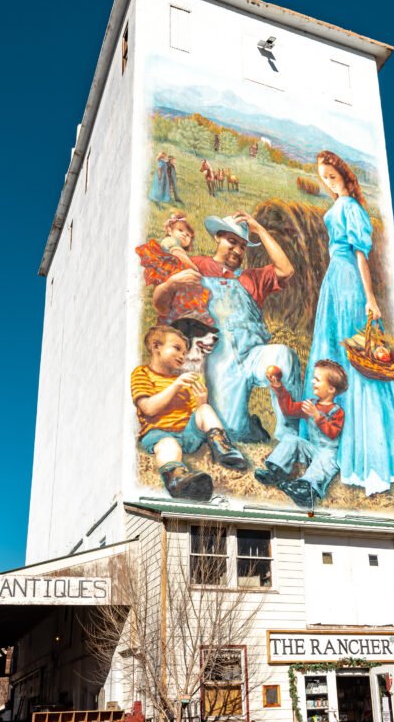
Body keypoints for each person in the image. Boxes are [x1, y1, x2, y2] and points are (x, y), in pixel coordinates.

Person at [303, 150, 394, 495]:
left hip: (350, 282)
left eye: (332, 177)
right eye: (323, 178)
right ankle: (331, 439)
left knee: (356, 359)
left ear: (344, 176)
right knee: (335, 351)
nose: (328, 182)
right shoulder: (342, 206)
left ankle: (365, 448)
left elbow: (360, 255)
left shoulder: (350, 208)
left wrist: (370, 298)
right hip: (335, 279)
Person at [152, 212, 301, 443]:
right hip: (218, 359)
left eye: (243, 246)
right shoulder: (196, 265)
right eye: (232, 242)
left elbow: (286, 270)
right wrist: (171, 283)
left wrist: (258, 229)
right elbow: (160, 306)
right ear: (217, 238)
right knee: (232, 432)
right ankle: (251, 427)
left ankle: (290, 438)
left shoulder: (252, 277)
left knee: (284, 356)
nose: (238, 251)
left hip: (253, 354)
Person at [131, 325, 247, 501]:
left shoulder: (183, 379)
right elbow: (148, 408)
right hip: (158, 433)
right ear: (156, 347)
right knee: (168, 445)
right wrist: (176, 385)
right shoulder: (142, 373)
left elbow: (196, 413)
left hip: (187, 433)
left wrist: (201, 402)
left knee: (205, 410)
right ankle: (177, 480)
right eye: (177, 348)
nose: (182, 356)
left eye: (184, 352)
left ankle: (223, 448)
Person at [254, 359, 348, 508]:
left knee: (324, 461)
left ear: (331, 389)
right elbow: (289, 410)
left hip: (328, 453)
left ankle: (306, 490)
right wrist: (279, 388)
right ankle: (276, 471)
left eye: (317, 380)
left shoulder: (337, 411)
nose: (313, 382)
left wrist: (317, 416)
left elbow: (333, 432)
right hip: (313, 449)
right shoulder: (311, 404)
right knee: (291, 439)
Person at [136, 213, 214, 328]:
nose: (184, 235)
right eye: (180, 230)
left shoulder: (176, 247)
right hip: (170, 273)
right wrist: (195, 271)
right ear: (169, 230)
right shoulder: (171, 242)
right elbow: (186, 262)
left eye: (188, 235)